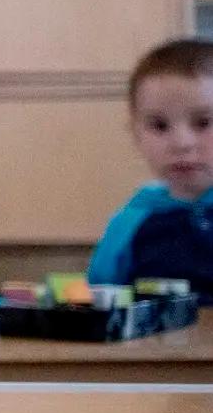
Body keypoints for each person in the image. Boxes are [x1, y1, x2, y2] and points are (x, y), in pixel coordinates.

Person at [90, 39, 213, 299]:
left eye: (203, 123)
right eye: (159, 126)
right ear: (136, 135)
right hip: (154, 338)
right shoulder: (130, 222)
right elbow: (101, 298)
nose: (182, 144)